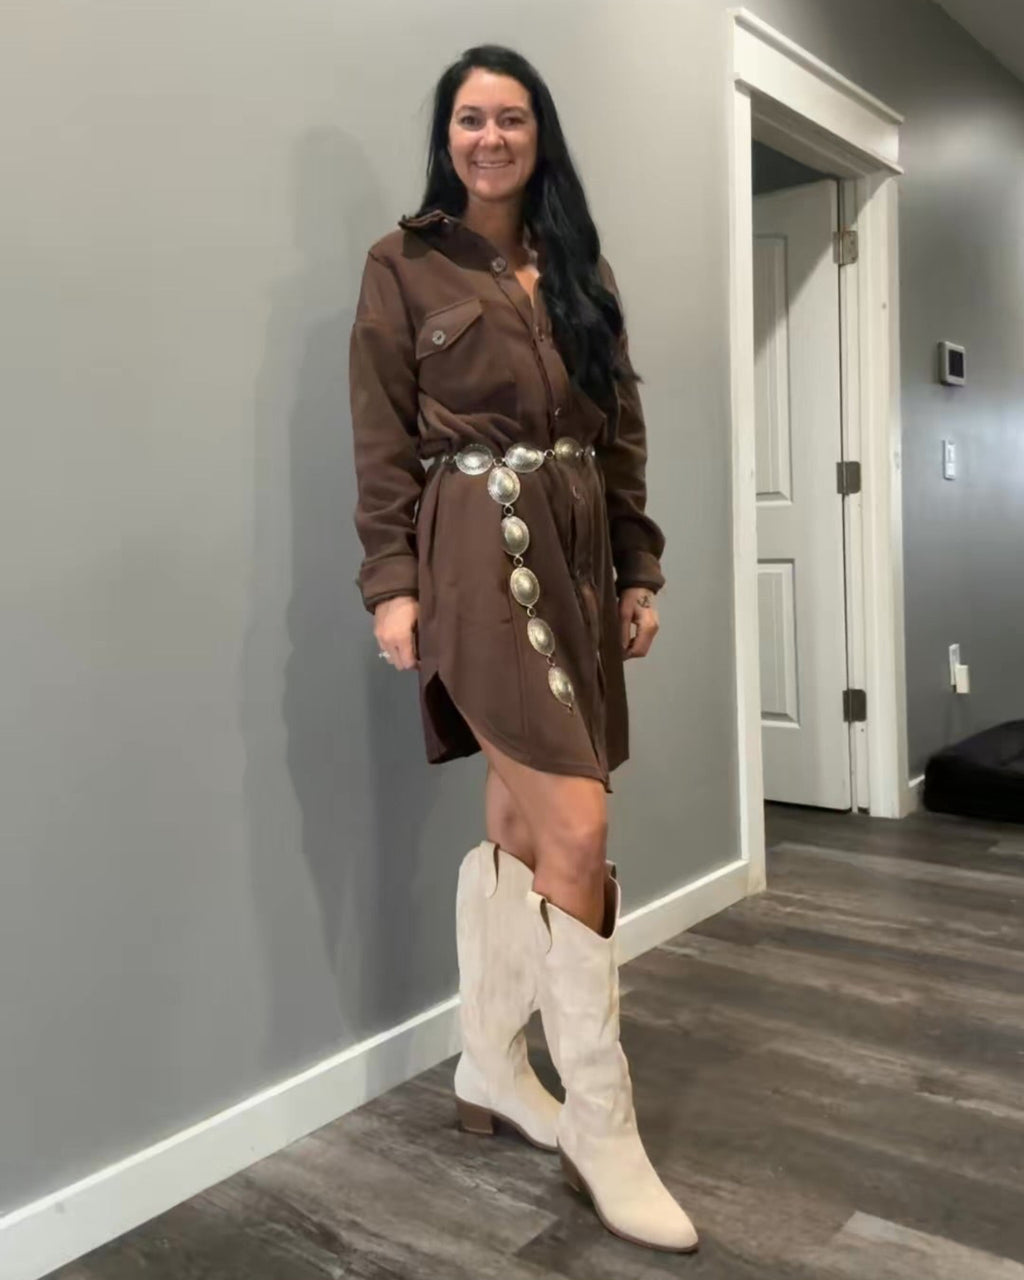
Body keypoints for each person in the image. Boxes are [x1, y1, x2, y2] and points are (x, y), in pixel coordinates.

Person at [349, 44, 698, 1254]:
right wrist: (392, 587)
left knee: (516, 820)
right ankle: (603, 1120)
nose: (488, 136)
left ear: (537, 134)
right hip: (471, 555)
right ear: (445, 136)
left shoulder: (580, 265)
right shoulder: (399, 265)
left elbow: (622, 432)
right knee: (579, 829)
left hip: (578, 553)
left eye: (509, 118)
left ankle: (489, 1062)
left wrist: (638, 565)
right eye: (468, 118)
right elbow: (382, 443)